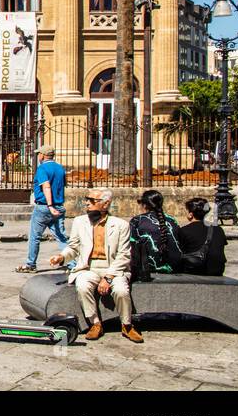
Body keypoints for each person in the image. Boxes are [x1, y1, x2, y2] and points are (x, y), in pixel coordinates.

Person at [50, 189, 142, 343]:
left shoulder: (121, 225)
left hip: (114, 268)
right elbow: (73, 247)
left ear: (105, 204)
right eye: (87, 199)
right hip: (89, 267)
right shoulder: (80, 222)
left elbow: (124, 255)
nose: (87, 203)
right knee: (83, 285)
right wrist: (61, 257)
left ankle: (127, 325)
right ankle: (95, 323)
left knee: (121, 291)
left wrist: (108, 277)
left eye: (92, 200)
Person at [17, 145, 68, 273]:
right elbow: (62, 186)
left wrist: (50, 206)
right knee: (61, 236)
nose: (38, 156)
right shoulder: (60, 169)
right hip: (59, 206)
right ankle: (72, 263)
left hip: (44, 207)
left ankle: (31, 264)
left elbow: (46, 186)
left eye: (39, 154)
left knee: (35, 236)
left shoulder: (42, 169)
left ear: (43, 155)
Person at [128, 189, 183, 280]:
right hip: (173, 267)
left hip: (149, 268)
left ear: (144, 205)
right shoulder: (172, 220)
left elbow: (131, 245)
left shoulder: (137, 220)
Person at [174, 197, 228, 276]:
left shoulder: (184, 230)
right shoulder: (219, 229)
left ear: (190, 214)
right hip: (217, 269)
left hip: (195, 270)